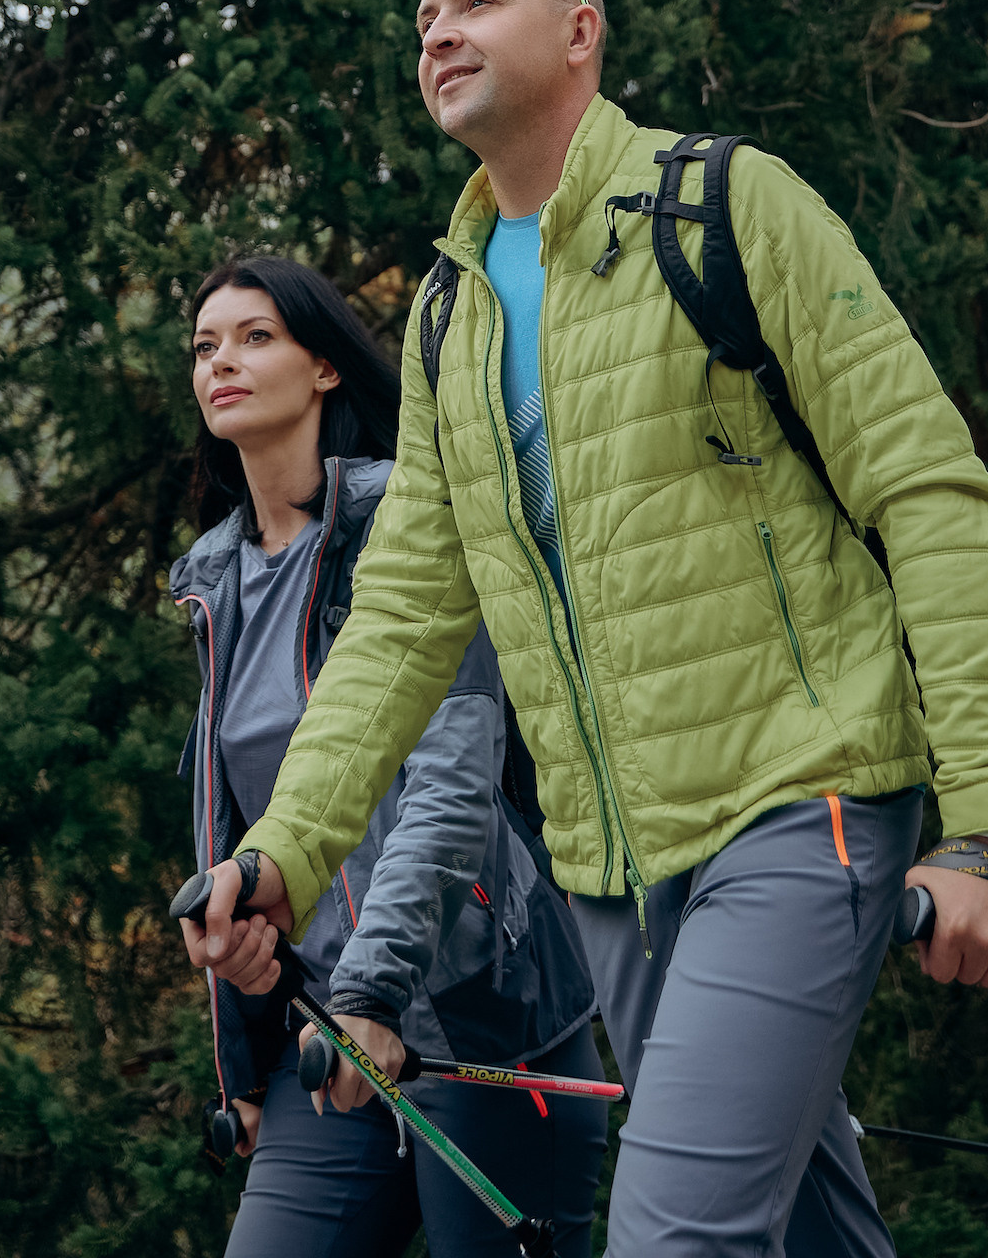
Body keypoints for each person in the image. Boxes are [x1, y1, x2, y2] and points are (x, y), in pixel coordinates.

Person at [182, 0, 988, 1257]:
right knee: (815, 1234)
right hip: (614, 877)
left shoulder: (725, 206)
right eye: (427, 19)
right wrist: (284, 853)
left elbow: (929, 492)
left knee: (674, 1239)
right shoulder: (449, 316)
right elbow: (404, 627)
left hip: (801, 802)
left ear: (579, 33)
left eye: (476, 3)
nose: (441, 33)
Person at [172, 253, 608, 1258]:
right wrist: (242, 1048)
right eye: (203, 346)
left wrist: (375, 991)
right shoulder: (214, 583)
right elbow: (235, 830)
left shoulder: (406, 521)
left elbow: (451, 785)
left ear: (324, 367)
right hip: (318, 1044)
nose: (220, 362)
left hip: (478, 1027)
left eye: (254, 336)